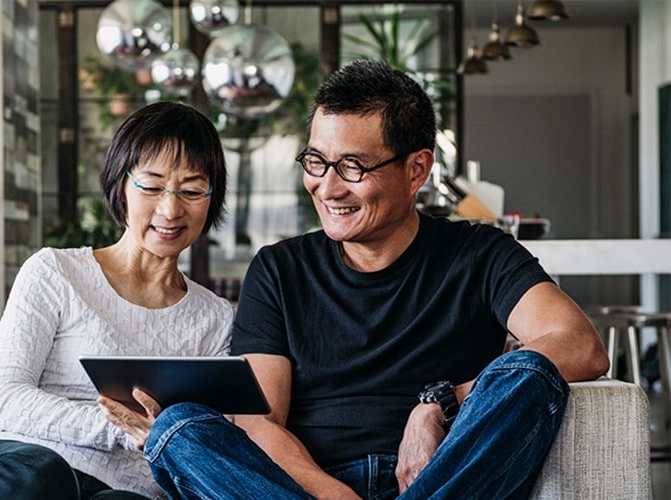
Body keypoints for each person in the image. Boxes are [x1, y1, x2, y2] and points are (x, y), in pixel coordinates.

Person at [100, 60, 609, 499]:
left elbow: (580, 347)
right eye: (317, 161)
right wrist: (331, 494)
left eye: (352, 167)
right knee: (179, 426)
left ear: (417, 170)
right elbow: (260, 421)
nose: (327, 186)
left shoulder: (479, 253)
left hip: (441, 478)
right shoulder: (280, 268)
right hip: (305, 488)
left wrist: (440, 402)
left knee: (524, 372)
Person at [0, 101, 233, 500]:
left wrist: (166, 439)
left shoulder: (214, 318)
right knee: (43, 474)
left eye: (192, 190)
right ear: (121, 184)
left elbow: (205, 440)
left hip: (124, 486)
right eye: (152, 185)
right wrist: (123, 430)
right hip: (19, 466)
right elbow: (3, 400)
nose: (171, 208)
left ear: (212, 198)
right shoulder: (55, 272)